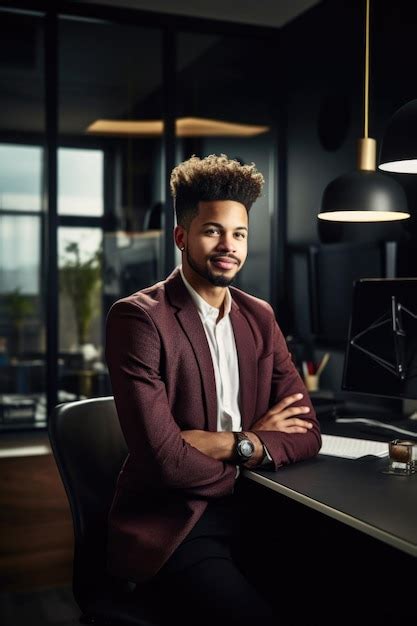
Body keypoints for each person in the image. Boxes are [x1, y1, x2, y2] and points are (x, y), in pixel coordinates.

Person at [105, 154, 321, 625]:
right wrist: (255, 448)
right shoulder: (139, 319)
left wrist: (235, 442)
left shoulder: (259, 316)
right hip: (176, 523)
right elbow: (164, 461)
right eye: (212, 231)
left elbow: (308, 431)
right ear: (181, 236)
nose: (229, 246)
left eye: (239, 234)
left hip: (259, 510)